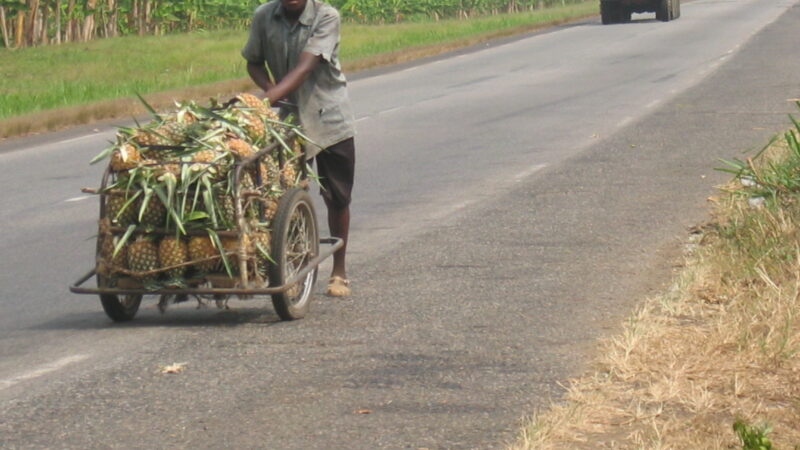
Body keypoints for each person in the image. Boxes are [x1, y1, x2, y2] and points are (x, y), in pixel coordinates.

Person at [242, 0, 356, 297]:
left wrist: (264, 100)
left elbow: (306, 67)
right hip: (287, 120)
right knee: (284, 198)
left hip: (328, 118)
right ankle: (293, 268)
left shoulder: (326, 16)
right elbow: (253, 61)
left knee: (337, 197)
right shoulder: (264, 16)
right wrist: (271, 92)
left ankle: (339, 271)